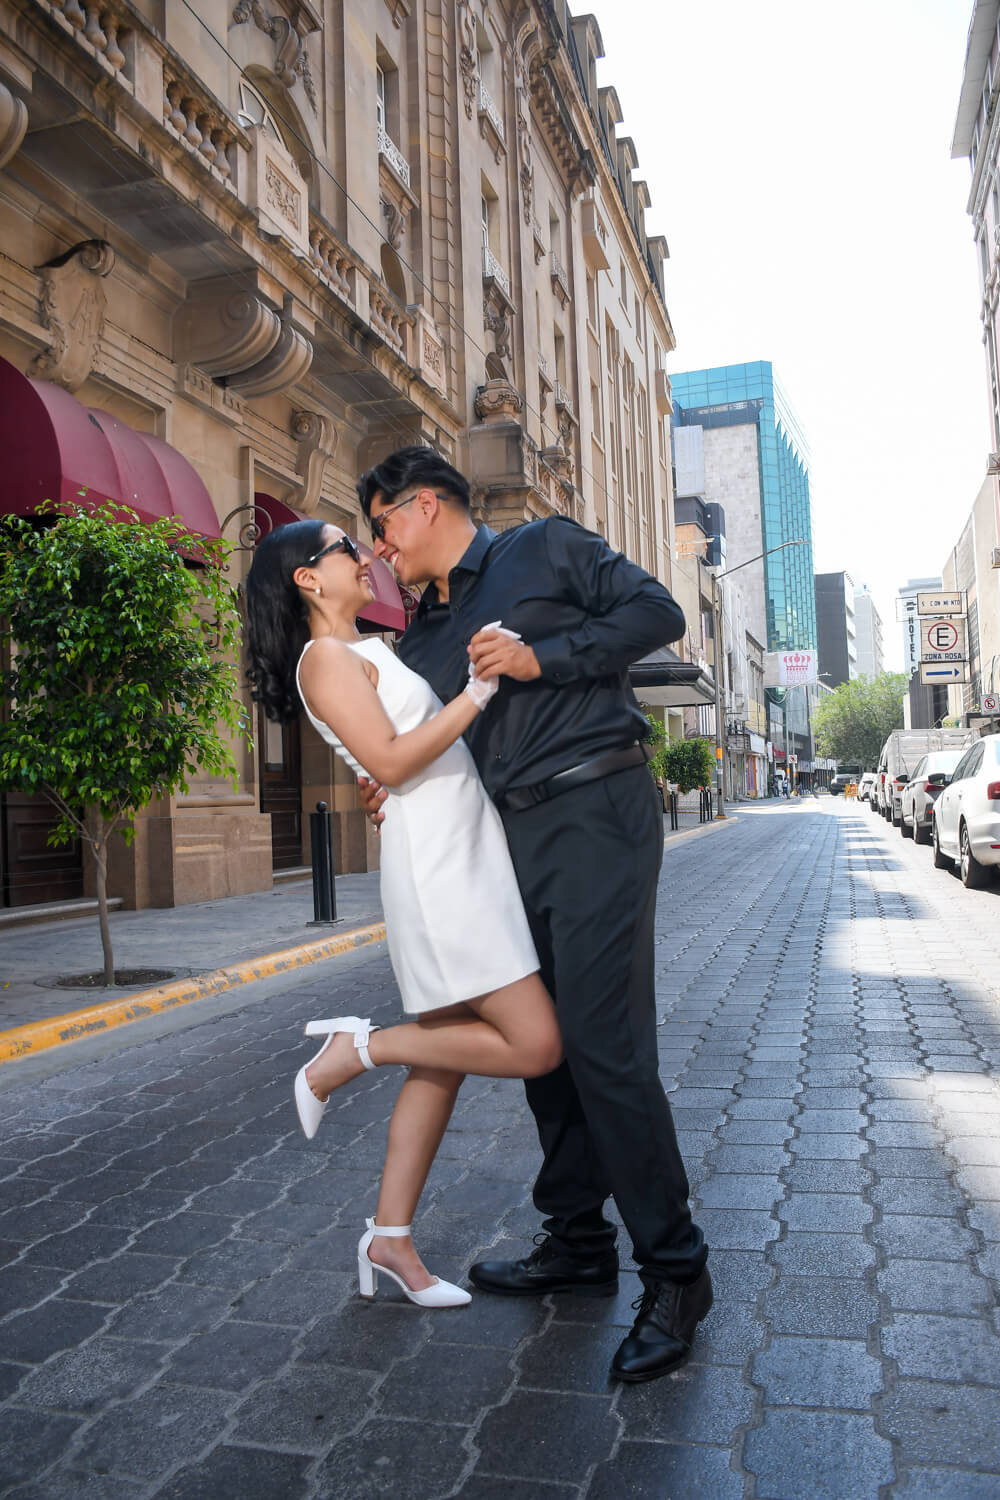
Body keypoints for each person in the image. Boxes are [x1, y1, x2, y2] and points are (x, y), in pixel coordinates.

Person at [357, 445, 711, 1385]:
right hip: (499, 842)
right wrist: (392, 786)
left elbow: (659, 613)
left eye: (383, 526)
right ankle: (578, 1241)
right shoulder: (422, 643)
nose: (381, 549)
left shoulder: (545, 547)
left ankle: (678, 1273)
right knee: (544, 1045)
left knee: (604, 1046)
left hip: (596, 810)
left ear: (425, 503)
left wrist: (539, 656)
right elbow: (431, 751)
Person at [245, 520, 562, 1310]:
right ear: (308, 579)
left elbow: (391, 760)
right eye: (343, 548)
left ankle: (390, 1239)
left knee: (442, 1061)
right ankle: (358, 1048)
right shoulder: (323, 659)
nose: (362, 556)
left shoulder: (369, 647)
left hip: (462, 847)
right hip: (438, 869)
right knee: (536, 1044)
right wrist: (477, 693)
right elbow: (389, 759)